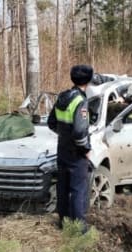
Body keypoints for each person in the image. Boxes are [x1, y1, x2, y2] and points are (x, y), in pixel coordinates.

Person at [47, 64, 93, 232]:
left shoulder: (63, 97)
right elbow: (80, 132)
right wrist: (86, 149)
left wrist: (64, 135)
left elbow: (51, 123)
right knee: (78, 189)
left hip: (62, 149)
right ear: (88, 80)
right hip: (76, 153)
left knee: (63, 187)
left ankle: (63, 222)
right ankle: (79, 227)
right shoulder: (81, 101)